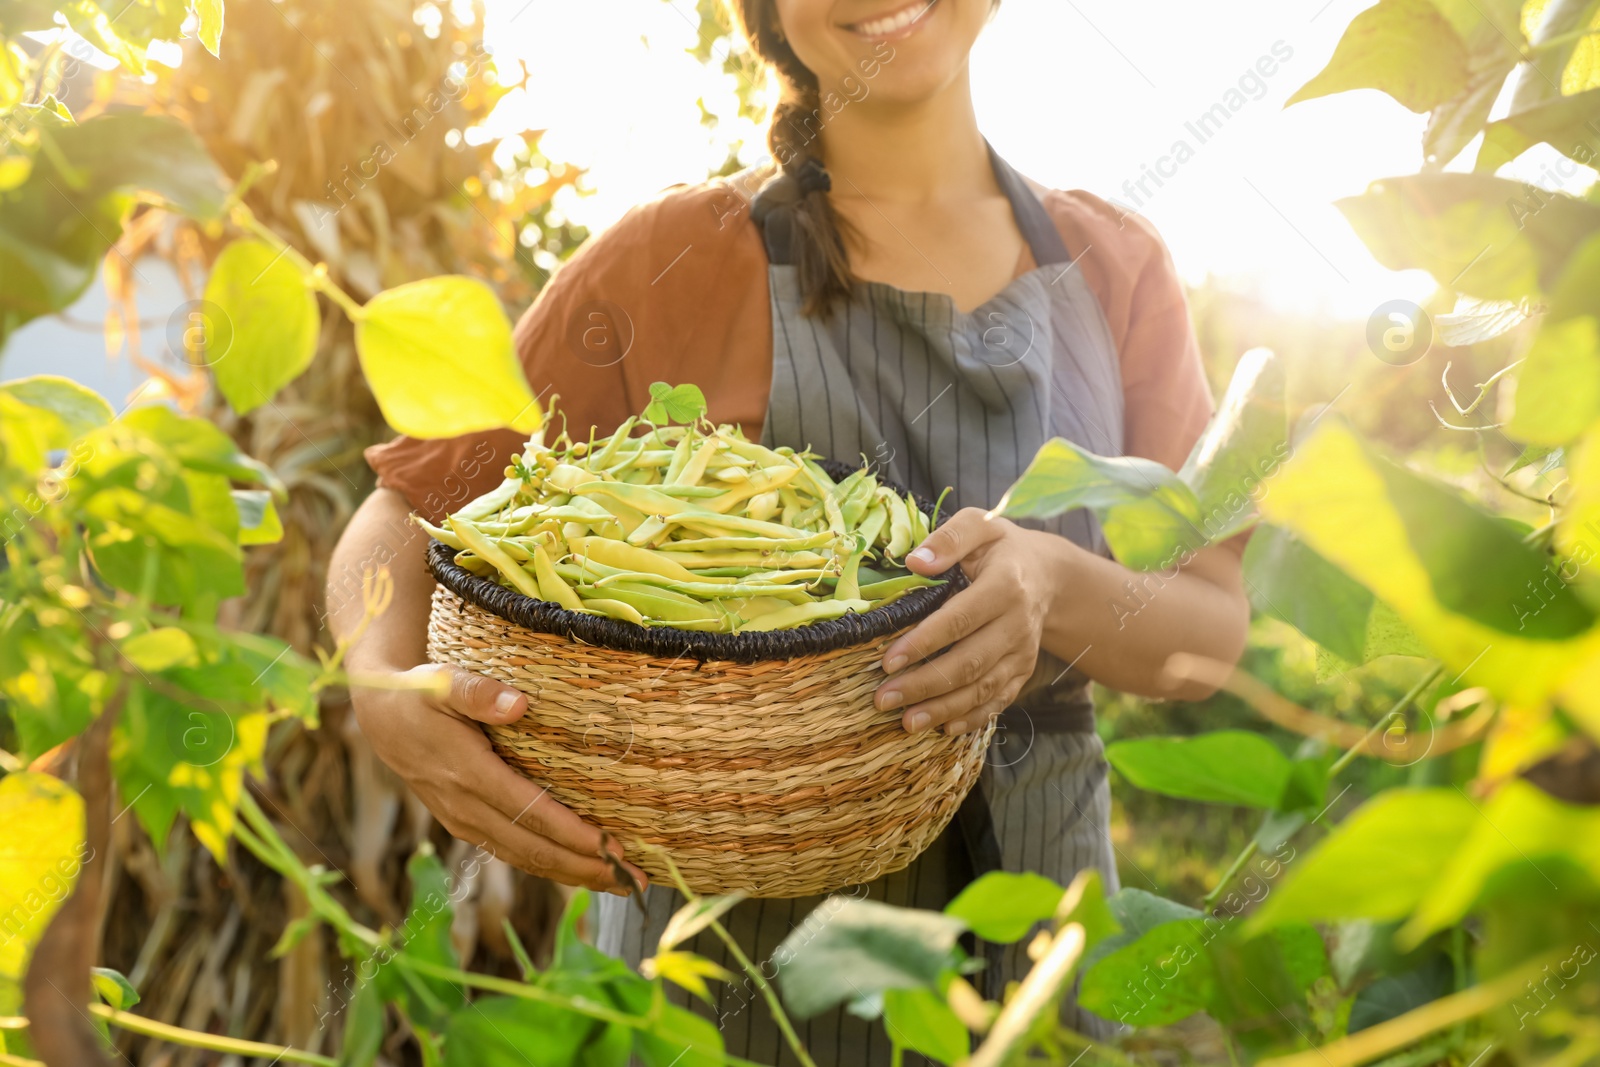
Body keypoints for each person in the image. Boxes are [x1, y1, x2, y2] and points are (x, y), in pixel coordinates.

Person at [328, 0, 1250, 1059]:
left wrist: (1050, 586)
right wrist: (382, 687)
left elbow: (1207, 635)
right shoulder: (671, 258)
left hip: (1037, 938)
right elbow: (406, 508)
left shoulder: (1115, 269)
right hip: (717, 970)